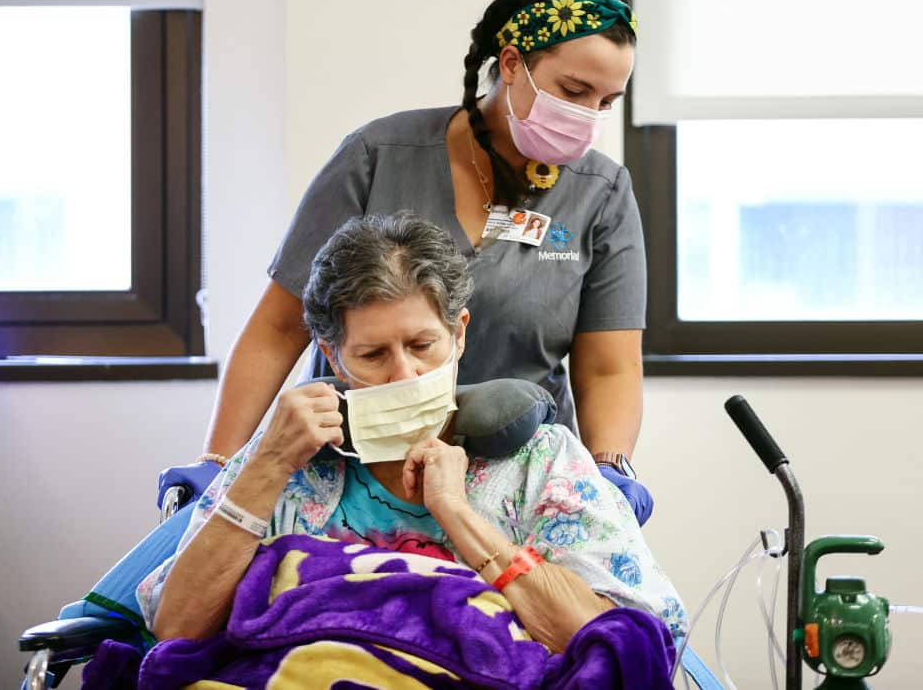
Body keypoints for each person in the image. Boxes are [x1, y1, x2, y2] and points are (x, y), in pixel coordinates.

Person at [199, 0, 649, 508]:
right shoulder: (378, 157)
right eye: (574, 92)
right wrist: (218, 466)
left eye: (606, 101)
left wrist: (608, 468)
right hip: (353, 476)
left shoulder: (600, 193)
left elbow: (609, 366)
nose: (587, 116)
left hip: (517, 482)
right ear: (510, 65)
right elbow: (277, 328)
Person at [141, 216, 686, 653]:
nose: (404, 375)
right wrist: (264, 467)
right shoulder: (291, 465)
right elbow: (178, 629)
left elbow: (622, 642)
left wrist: (460, 516)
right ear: (332, 355)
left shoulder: (542, 462)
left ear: (459, 334)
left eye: (423, 345)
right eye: (373, 355)